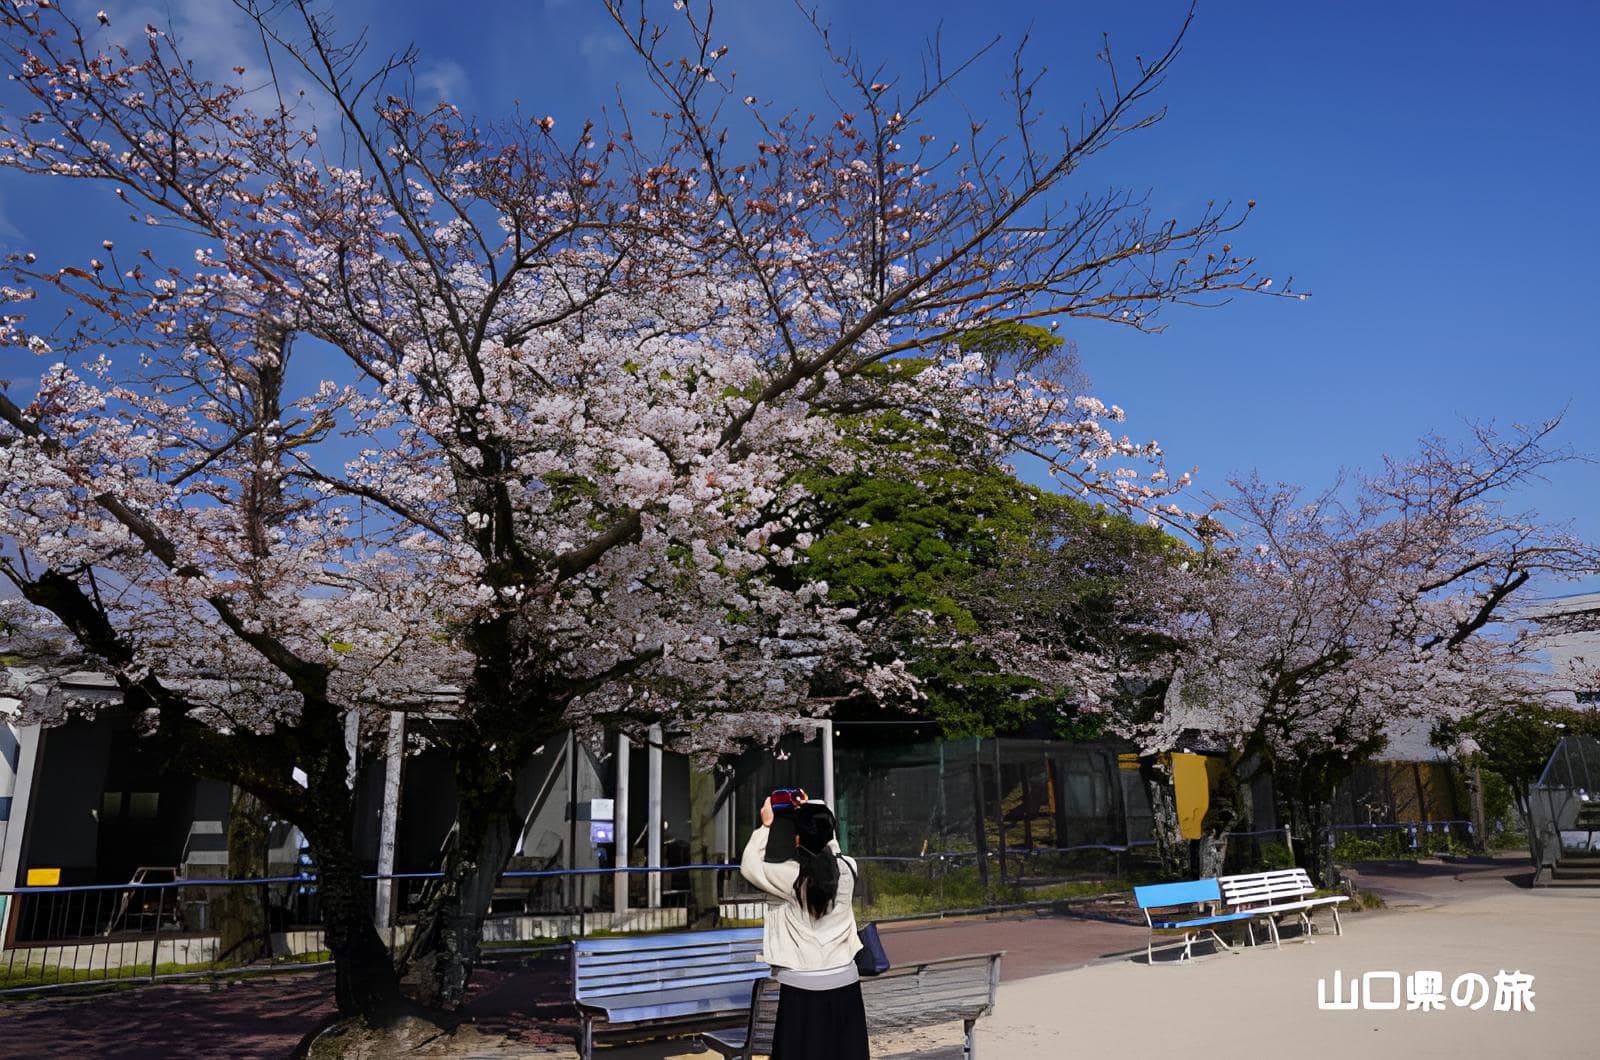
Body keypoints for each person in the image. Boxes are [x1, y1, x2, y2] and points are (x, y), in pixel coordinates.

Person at [739, 791, 870, 1060]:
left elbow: (750, 865)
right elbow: (829, 843)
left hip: (801, 988)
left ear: (797, 838)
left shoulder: (790, 876)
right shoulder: (848, 869)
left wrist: (766, 826)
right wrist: (814, 807)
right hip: (845, 982)